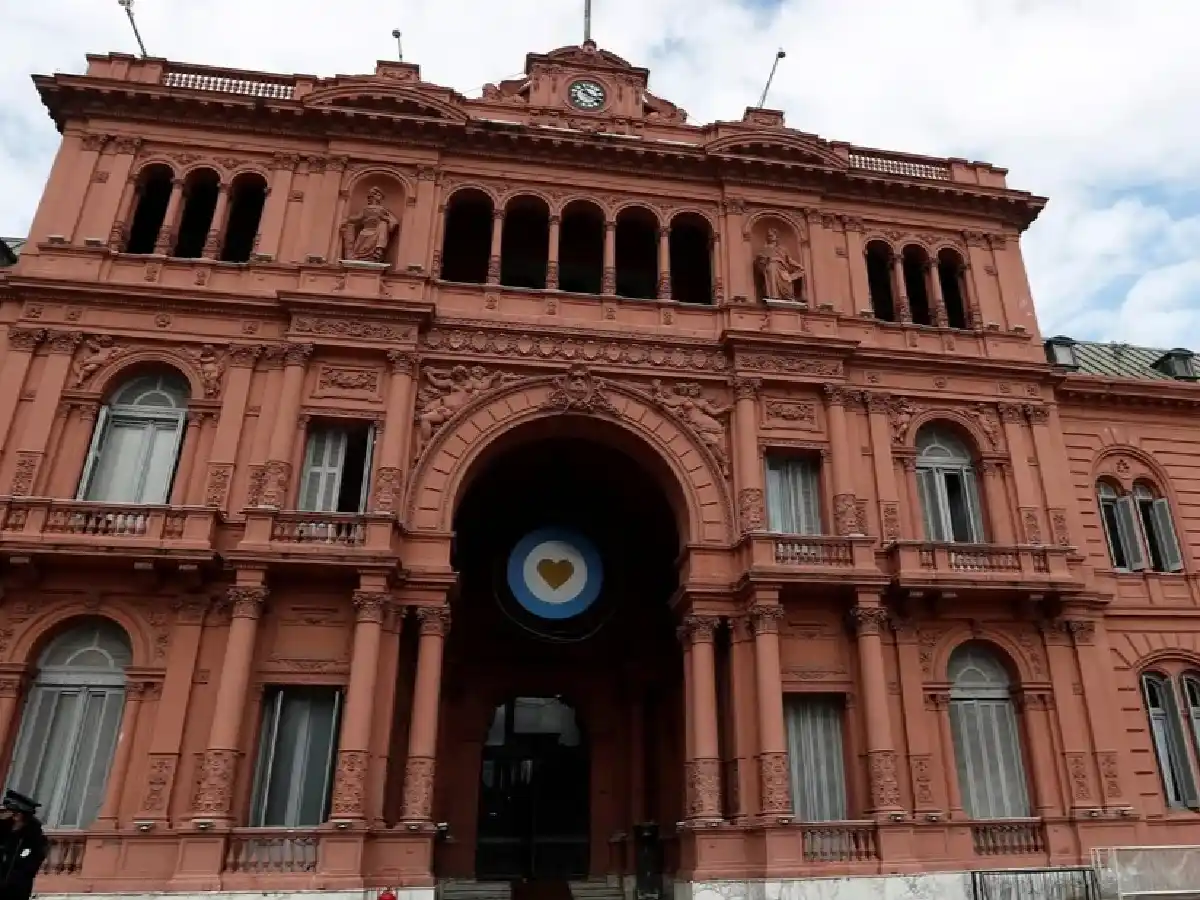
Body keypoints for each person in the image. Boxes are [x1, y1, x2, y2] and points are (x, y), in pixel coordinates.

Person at [0, 790, 47, 900]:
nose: (5, 813)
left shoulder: (34, 839)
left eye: (10, 810)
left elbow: (28, 869)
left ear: (19, 815)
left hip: (14, 892)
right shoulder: (3, 833)